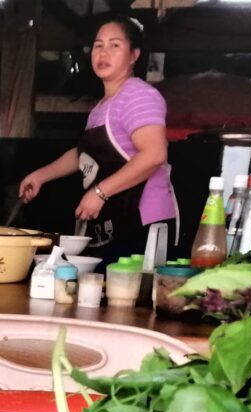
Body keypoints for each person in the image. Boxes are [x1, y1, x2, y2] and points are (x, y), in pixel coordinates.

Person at [18, 17, 177, 259]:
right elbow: (83, 156)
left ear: (133, 55)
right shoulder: (101, 108)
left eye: (114, 45)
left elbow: (154, 155)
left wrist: (100, 192)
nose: (103, 53)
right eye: (98, 45)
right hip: (114, 222)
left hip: (143, 222)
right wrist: (40, 176)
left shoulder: (139, 95)